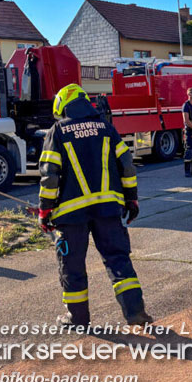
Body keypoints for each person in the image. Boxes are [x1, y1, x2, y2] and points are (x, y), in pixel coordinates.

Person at [37, 84, 152, 328]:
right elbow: (128, 167)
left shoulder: (57, 131)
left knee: (72, 266)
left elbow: (49, 176)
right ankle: (135, 313)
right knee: (118, 260)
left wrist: (44, 209)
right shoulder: (107, 128)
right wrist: (131, 199)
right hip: (108, 211)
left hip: (70, 215)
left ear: (63, 105)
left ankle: (77, 319)